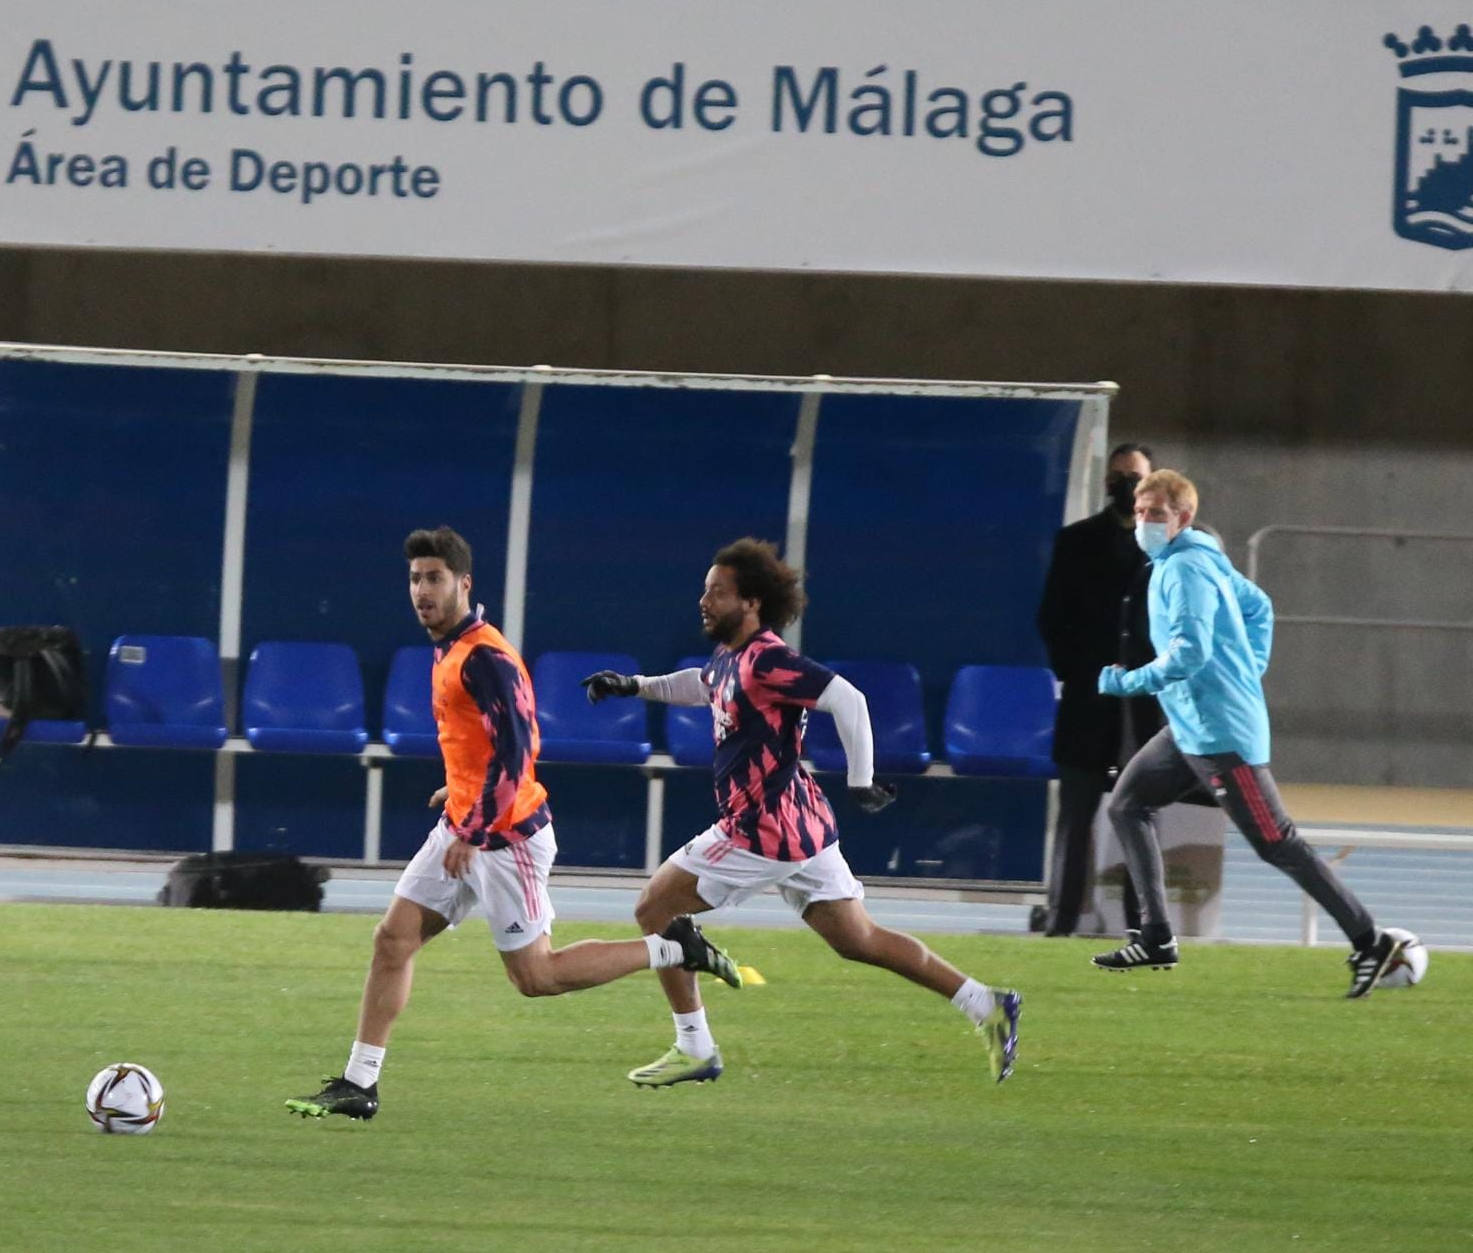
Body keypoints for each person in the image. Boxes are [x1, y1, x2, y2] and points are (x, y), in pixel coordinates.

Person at [285, 526, 742, 1121]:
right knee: (393, 940)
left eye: (434, 578)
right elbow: (482, 744)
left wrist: (474, 826)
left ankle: (671, 946)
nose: (422, 590)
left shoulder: (487, 657)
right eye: (415, 579)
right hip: (465, 824)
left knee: (537, 977)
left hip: (505, 840)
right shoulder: (451, 648)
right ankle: (359, 1083)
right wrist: (461, 789)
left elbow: (519, 748)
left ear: (464, 583)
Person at [583, 537, 1022, 1085]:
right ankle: (985, 1002)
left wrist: (861, 779)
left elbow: (849, 699)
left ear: (752, 603)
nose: (705, 601)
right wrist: (634, 686)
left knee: (653, 908)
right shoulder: (730, 658)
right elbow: (702, 685)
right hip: (802, 824)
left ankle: (695, 1046)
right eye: (705, 591)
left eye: (718, 592)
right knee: (857, 940)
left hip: (759, 829)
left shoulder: (769, 658)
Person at [1091, 472, 1409, 998]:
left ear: (1183, 517)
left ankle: (1370, 942)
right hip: (1190, 729)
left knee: (1278, 843)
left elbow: (1189, 654)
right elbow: (1259, 605)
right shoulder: (1193, 557)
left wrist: (1129, 681)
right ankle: (1155, 936)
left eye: (1156, 514)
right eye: (1140, 511)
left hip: (1221, 737)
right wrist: (1249, 667)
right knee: (1127, 806)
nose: (1143, 521)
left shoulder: (1186, 569)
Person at [1035, 442, 1161, 937]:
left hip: (1146, 708)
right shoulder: (1075, 541)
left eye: (1134, 475)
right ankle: (1063, 919)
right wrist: (1080, 672)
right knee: (1076, 815)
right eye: (1118, 475)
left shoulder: (1168, 547)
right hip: (1087, 702)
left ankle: (1142, 926)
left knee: (1138, 817)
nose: (1125, 483)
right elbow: (1051, 619)